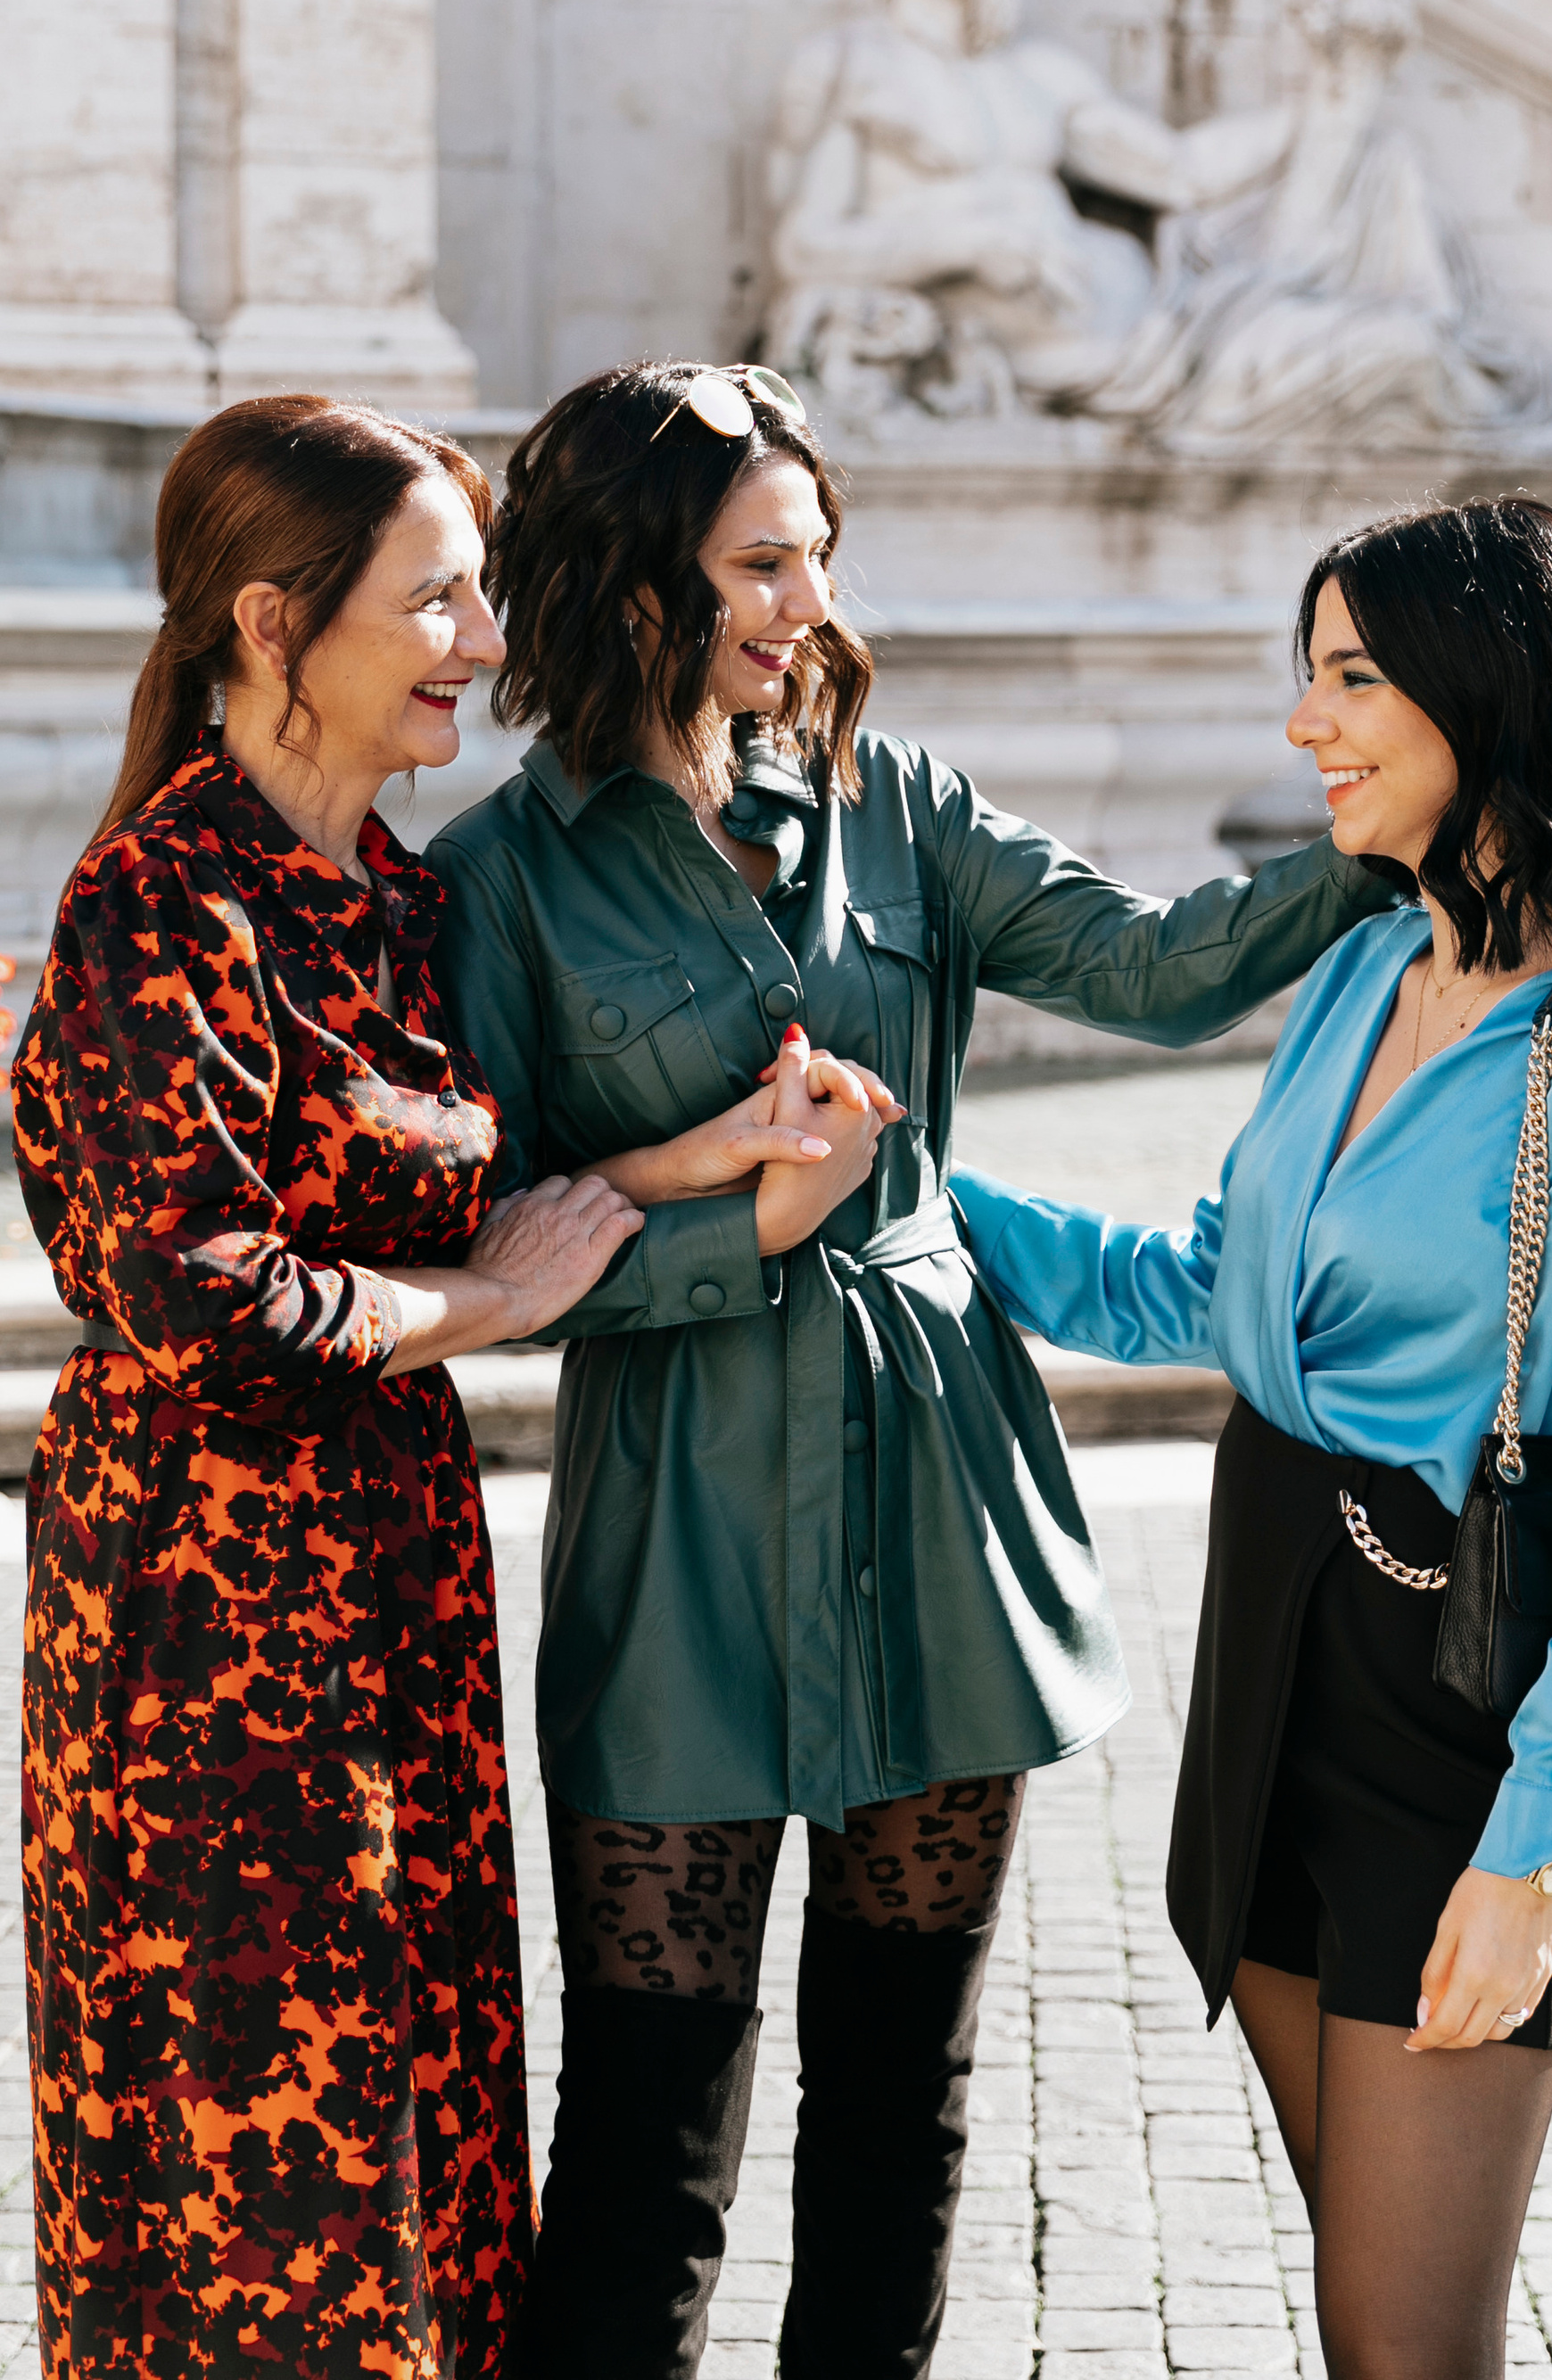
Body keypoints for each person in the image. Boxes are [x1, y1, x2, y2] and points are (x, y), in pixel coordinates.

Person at [425, 358, 1391, 2380]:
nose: (808, 600)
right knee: (644, 2127)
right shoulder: (505, 880)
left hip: (934, 1489)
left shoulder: (895, 800)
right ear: (629, 587)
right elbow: (491, 1243)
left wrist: (1384, 823)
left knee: (898, 2100)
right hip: (676, 1517)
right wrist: (727, 1230)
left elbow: (1154, 966)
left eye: (817, 554)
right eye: (760, 562)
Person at [14, 396, 838, 2380]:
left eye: (477, 593)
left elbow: (468, 1215)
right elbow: (196, 1292)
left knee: (415, 2112)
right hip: (205, 1611)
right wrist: (481, 1303)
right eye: (441, 599)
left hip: (387, 1572)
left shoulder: (395, 895)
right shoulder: (160, 901)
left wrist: (684, 1162)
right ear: (276, 622)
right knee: (259, 2152)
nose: (483, 642)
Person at [953, 498, 1552, 2380]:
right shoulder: (1353, 978)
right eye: (1300, 679)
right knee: (1366, 2318)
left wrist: (1539, 1840)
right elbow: (1200, 1295)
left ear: (1490, 694)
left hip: (1460, 1710)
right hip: (1273, 1662)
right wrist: (914, 1190)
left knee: (1408, 2343)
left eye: (1349, 679)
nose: (1305, 727)